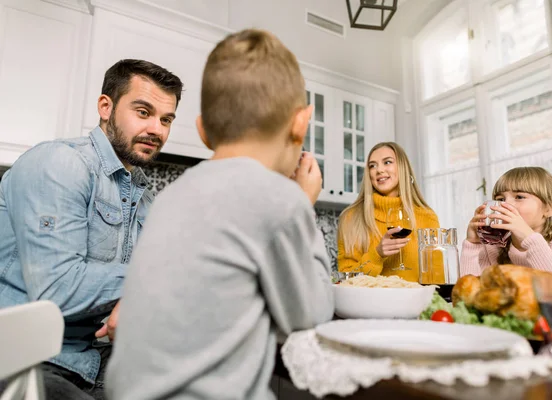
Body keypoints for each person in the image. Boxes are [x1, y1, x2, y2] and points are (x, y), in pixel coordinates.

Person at [105, 29, 334, 400]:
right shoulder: (280, 199)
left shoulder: (169, 197)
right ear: (301, 123)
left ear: (203, 132)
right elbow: (312, 316)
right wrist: (302, 204)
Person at [0, 59, 183, 399]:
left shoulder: (144, 198)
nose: (157, 129)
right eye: (143, 112)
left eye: (166, 119)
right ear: (105, 107)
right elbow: (57, 291)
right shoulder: (60, 163)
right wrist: (150, 280)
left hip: (89, 357)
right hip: (23, 358)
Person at [337, 142, 441, 281]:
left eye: (387, 162)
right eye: (372, 166)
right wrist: (377, 255)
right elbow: (346, 280)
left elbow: (437, 278)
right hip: (370, 302)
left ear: (402, 168)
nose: (379, 170)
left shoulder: (428, 217)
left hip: (415, 302)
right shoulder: (350, 218)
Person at [460, 166, 552, 276]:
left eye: (519, 197)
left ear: (550, 208)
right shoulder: (493, 245)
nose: (506, 204)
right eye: (501, 199)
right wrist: (473, 244)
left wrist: (530, 239)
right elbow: (471, 294)